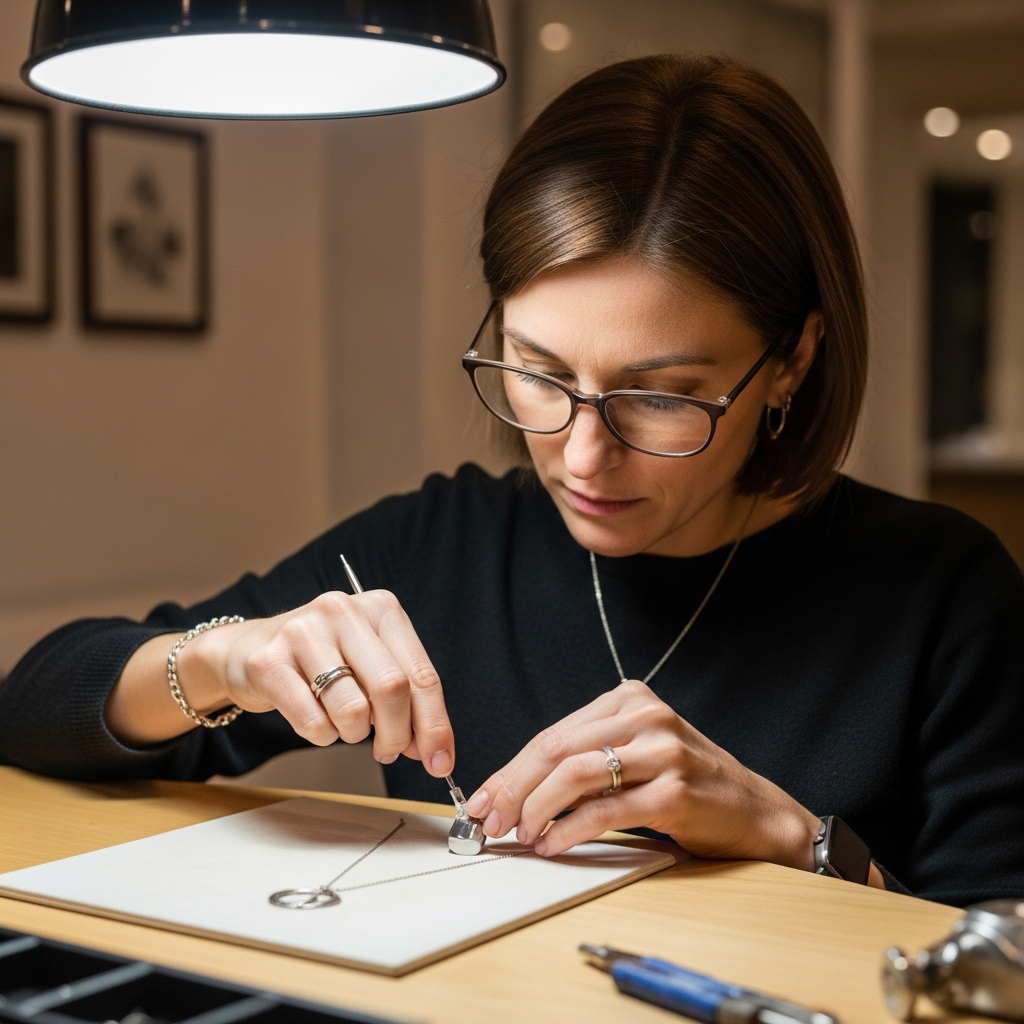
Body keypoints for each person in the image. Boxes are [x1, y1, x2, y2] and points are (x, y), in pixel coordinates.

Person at [1, 54, 1021, 908]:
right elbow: (31, 707)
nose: (581, 456)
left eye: (660, 396)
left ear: (792, 359)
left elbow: (1004, 968)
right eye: (537, 374)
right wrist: (225, 658)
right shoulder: (434, 547)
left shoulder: (941, 593)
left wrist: (793, 838)